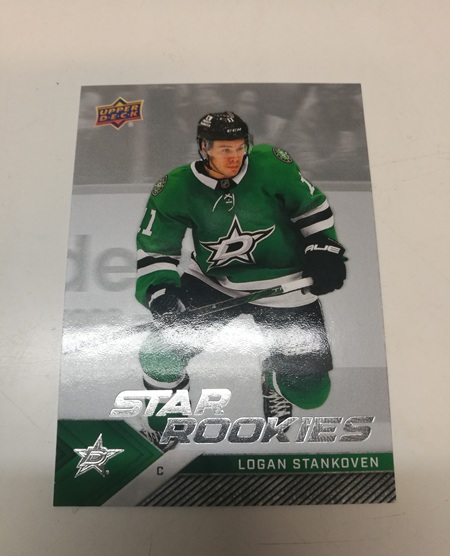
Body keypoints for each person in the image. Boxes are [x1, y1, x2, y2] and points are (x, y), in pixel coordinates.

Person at [135, 112, 346, 448]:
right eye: (224, 149)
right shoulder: (175, 187)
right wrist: (160, 291)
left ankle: (274, 377)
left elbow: (311, 208)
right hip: (214, 281)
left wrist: (324, 249)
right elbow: (156, 248)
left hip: (287, 281)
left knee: (310, 393)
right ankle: (168, 421)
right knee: (161, 354)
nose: (234, 157)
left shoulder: (271, 164)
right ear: (204, 147)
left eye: (239, 147)